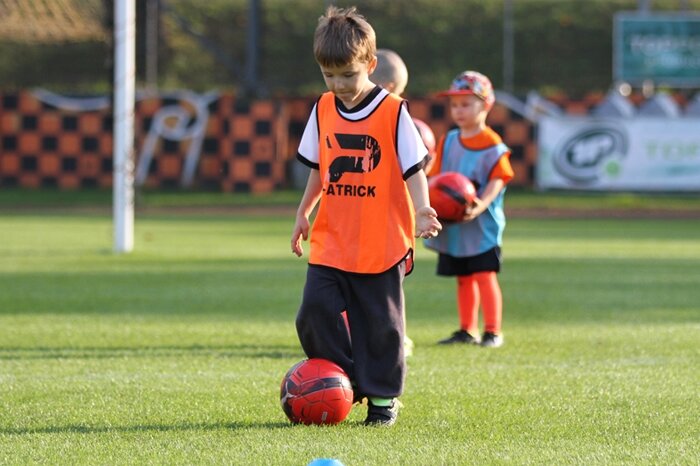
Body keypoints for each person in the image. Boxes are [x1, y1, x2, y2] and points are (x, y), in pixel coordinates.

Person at [291, 6, 442, 427]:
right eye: (329, 75)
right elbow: (319, 168)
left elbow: (414, 169)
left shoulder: (394, 111)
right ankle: (349, 379)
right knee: (314, 312)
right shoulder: (323, 108)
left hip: (382, 243)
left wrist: (422, 210)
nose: (338, 85)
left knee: (381, 326)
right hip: (333, 239)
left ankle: (382, 400)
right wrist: (303, 212)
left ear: (370, 65)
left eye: (348, 75)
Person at [425, 70, 514, 348]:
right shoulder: (449, 140)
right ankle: (467, 329)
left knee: (484, 275)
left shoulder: (493, 145)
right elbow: (436, 177)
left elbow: (498, 179)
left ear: (486, 105)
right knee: (463, 278)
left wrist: (481, 204)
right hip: (455, 225)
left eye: (466, 104)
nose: (458, 110)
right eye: (454, 105)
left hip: (480, 226)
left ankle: (493, 331)